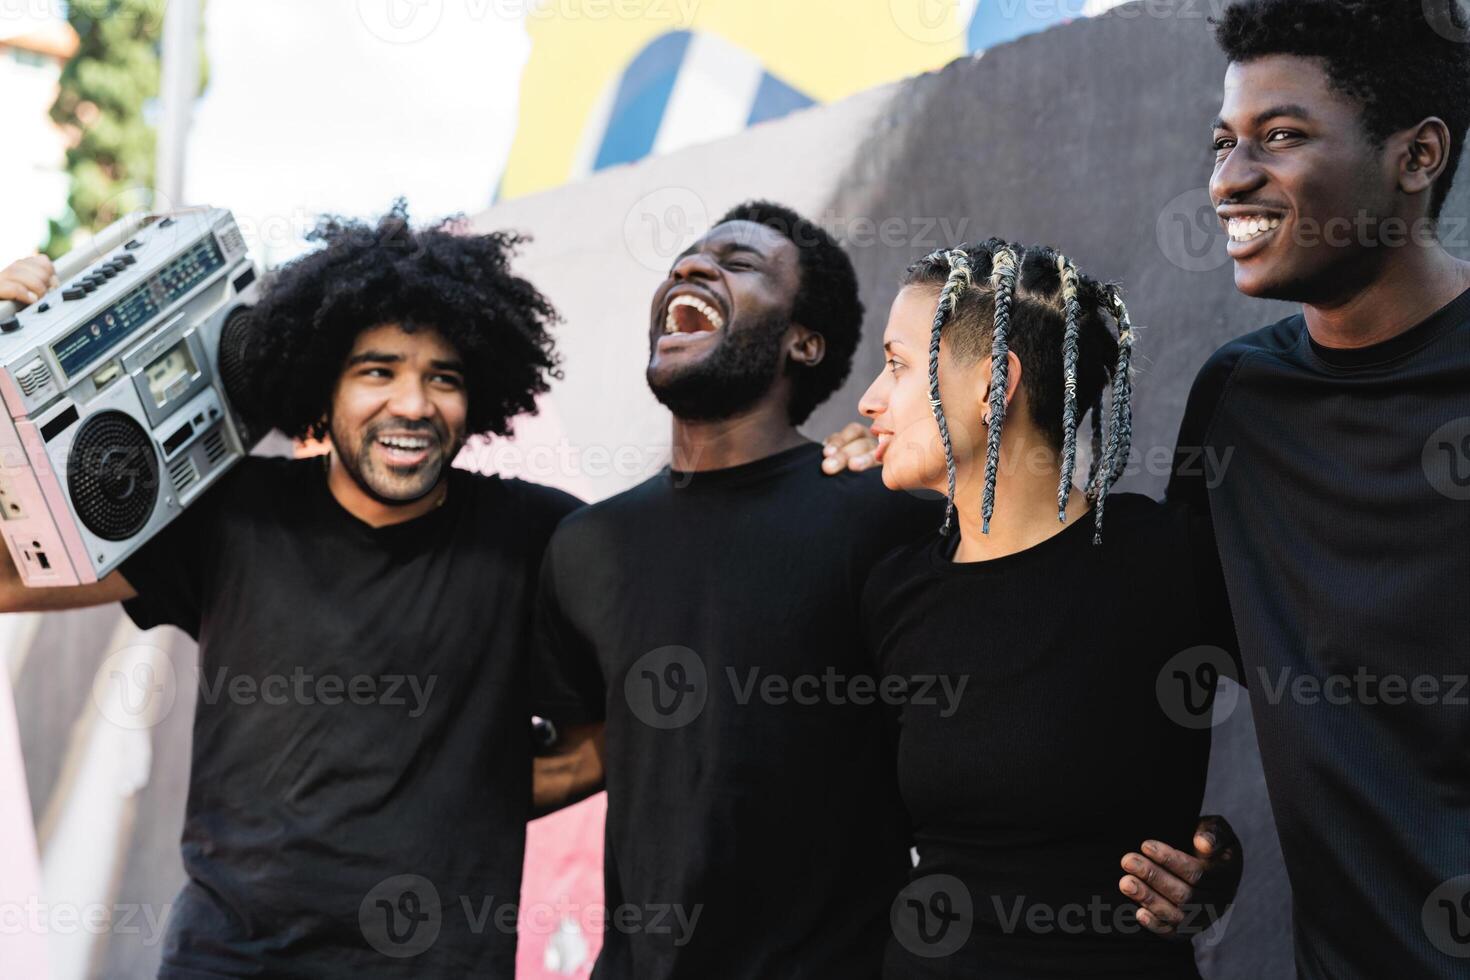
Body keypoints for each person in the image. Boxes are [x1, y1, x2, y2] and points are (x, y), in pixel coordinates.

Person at [0, 202, 581, 978]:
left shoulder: (540, 540)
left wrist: (474, 795)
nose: (412, 404)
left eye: (443, 378)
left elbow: (636, 715)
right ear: (322, 385)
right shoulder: (231, 516)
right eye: (378, 371)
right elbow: (9, 582)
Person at [531, 201, 940, 978]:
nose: (690, 268)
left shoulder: (882, 517)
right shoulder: (586, 545)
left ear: (804, 341)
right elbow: (599, 749)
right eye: (684, 258)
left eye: (738, 263)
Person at [1169, 2, 1470, 974]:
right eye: (1223, 143)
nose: (1229, 181)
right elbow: (1173, 661)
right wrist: (1189, 846)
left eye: (1281, 137)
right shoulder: (1238, 404)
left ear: (1416, 157)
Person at [858, 240, 1229, 978]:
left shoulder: (1167, 561)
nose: (871, 397)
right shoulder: (893, 592)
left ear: (996, 385)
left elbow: (1334, 725)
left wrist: (1218, 861)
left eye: (897, 365)